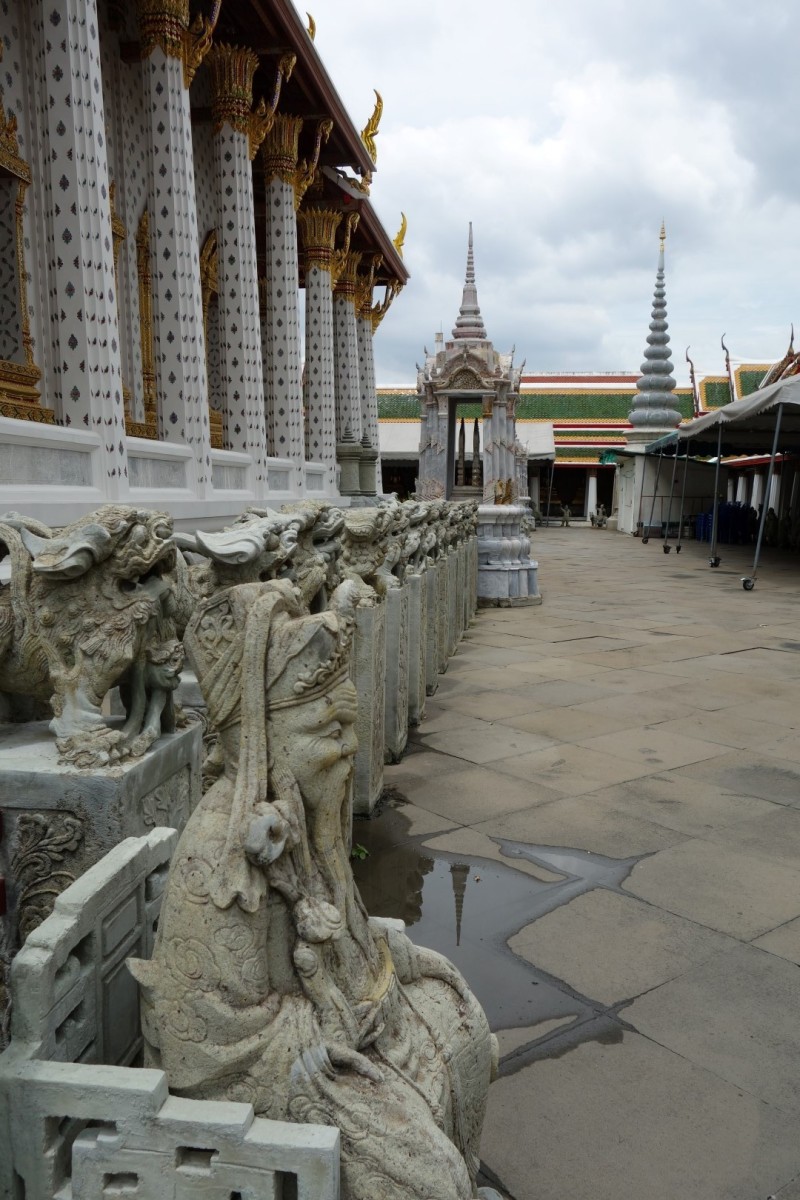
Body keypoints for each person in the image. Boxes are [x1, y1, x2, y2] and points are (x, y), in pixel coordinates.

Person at [130, 579, 497, 1200]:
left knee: (458, 1017)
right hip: (260, 1077)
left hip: (329, 1017)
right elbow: (209, 1040)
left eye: (348, 727)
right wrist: (333, 1014)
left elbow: (332, 923)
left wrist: (386, 959)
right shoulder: (222, 850)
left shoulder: (298, 818)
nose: (349, 747)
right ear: (264, 738)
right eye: (329, 731)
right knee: (424, 1176)